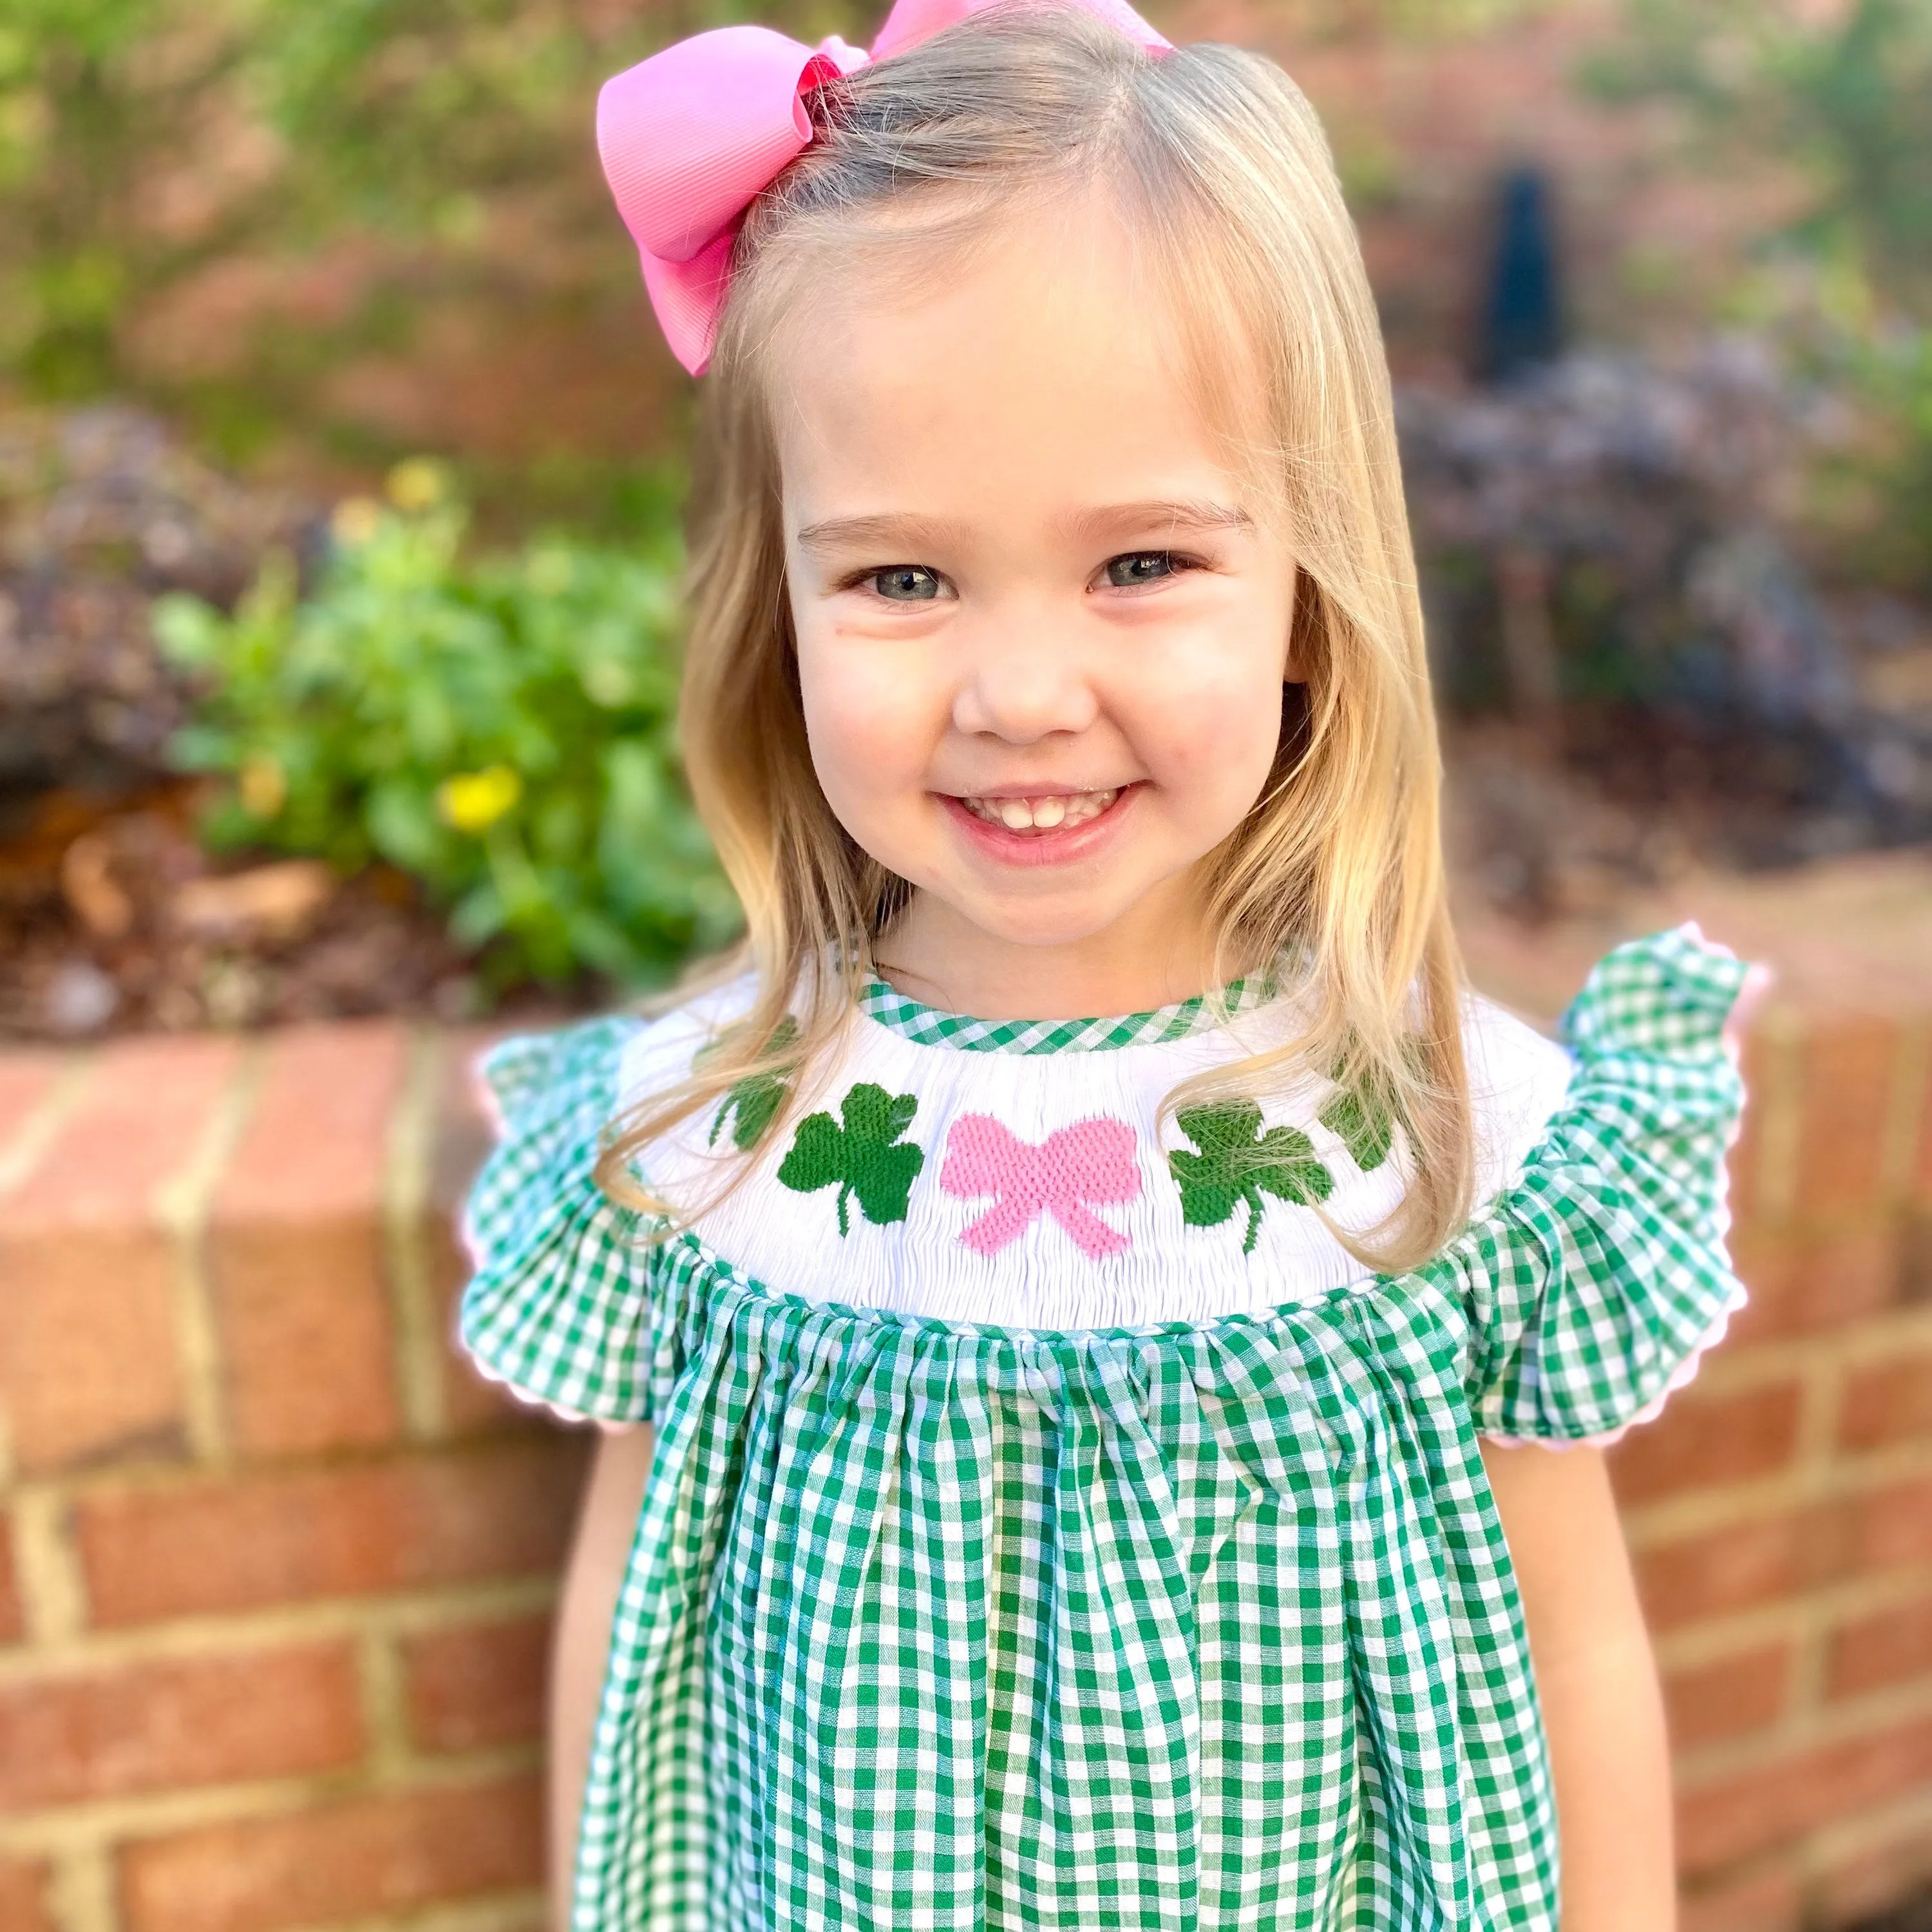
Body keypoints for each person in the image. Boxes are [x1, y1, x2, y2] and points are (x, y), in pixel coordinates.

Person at [459, 1, 1761, 1924]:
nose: (1020, 694)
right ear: (787, 608)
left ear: (1310, 598)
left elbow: (1571, 1658)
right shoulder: (711, 1146)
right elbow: (628, 1625)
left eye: (1139, 566)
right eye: (901, 577)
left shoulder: (1440, 1145)